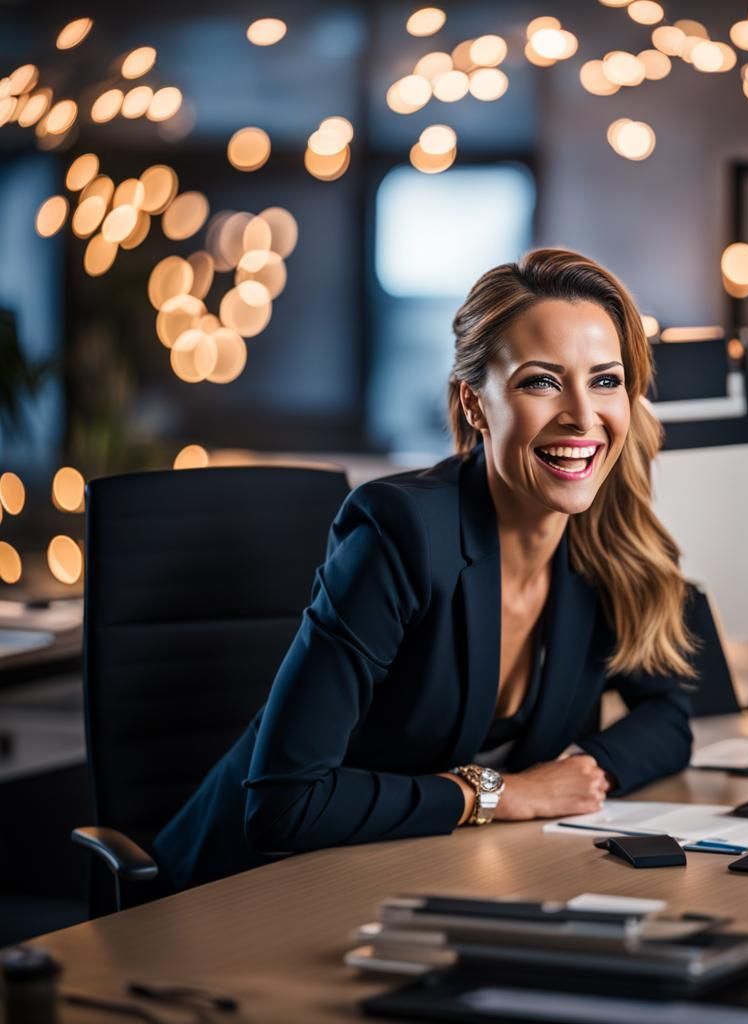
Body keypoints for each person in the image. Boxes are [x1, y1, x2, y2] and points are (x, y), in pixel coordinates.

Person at [154, 248, 696, 890]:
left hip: (408, 878)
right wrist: (501, 794)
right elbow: (283, 803)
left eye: (605, 380)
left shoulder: (604, 546)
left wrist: (583, 771)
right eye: (541, 381)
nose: (582, 415)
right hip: (235, 893)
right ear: (474, 403)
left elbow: (668, 718)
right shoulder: (400, 534)